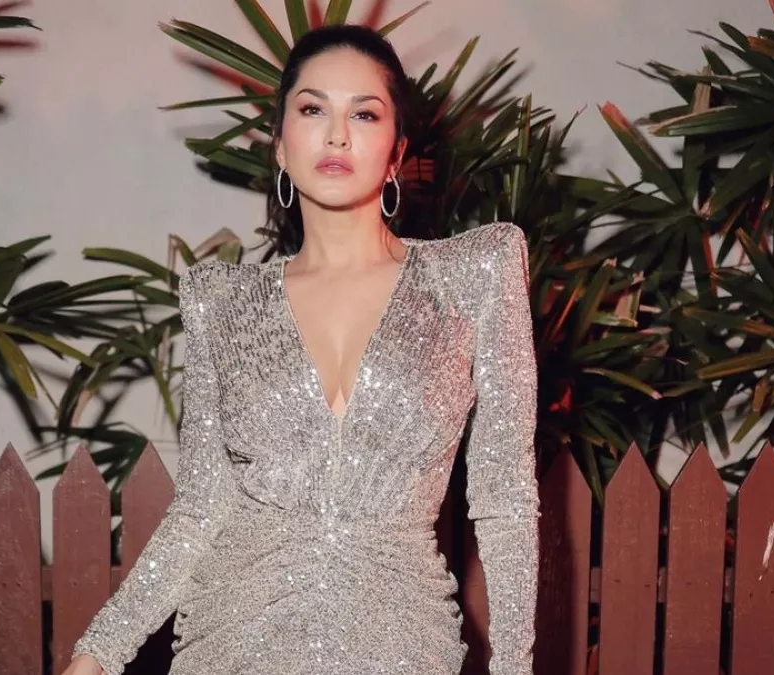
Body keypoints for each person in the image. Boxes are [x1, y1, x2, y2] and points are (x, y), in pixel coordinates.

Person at [64, 23, 539, 675]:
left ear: (396, 153)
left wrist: (514, 666)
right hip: (231, 644)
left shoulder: (473, 275)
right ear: (281, 146)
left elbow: (504, 497)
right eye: (313, 109)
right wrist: (97, 654)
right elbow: (201, 508)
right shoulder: (221, 302)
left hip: (403, 646)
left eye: (364, 114)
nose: (337, 134)